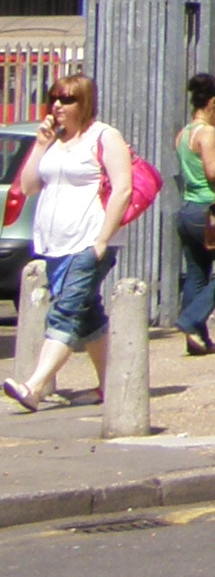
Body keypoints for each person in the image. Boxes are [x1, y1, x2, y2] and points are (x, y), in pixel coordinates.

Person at [2, 71, 133, 412]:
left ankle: (34, 385)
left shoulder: (104, 136)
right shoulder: (54, 141)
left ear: (84, 102)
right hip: (54, 242)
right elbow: (28, 186)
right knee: (86, 313)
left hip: (88, 239)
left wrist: (102, 240)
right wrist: (41, 144)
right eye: (55, 98)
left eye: (67, 99)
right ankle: (109, 385)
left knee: (66, 310)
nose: (58, 105)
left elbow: (122, 189)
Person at [172, 73, 215, 356]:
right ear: (211, 103)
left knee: (197, 272)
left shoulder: (183, 134)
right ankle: (190, 319)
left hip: (188, 209)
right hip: (210, 209)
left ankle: (196, 336)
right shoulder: (207, 133)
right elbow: (212, 173)